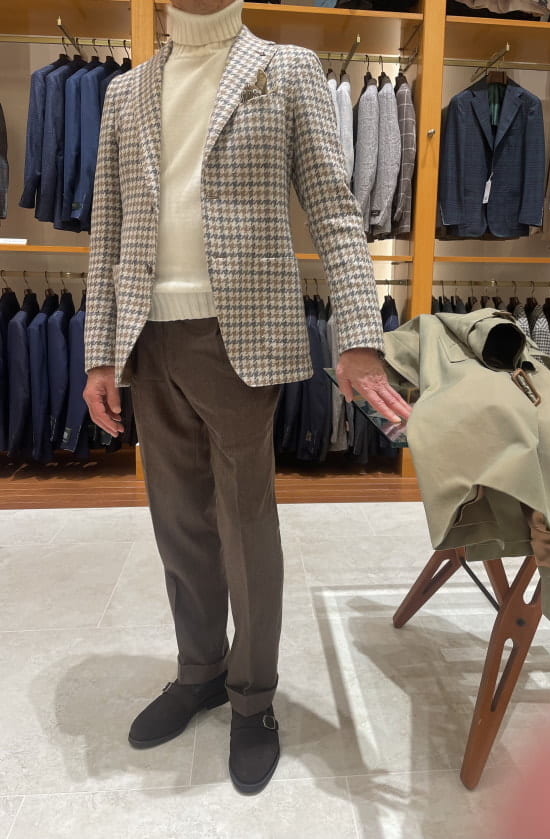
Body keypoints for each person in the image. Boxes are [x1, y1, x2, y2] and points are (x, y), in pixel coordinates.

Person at [82, 0, 411, 795]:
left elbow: (333, 205)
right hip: (148, 336)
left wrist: (358, 332)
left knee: (244, 521)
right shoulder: (125, 91)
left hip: (241, 333)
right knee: (178, 522)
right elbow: (107, 228)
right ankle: (199, 669)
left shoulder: (289, 70)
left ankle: (253, 696)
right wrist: (100, 354)